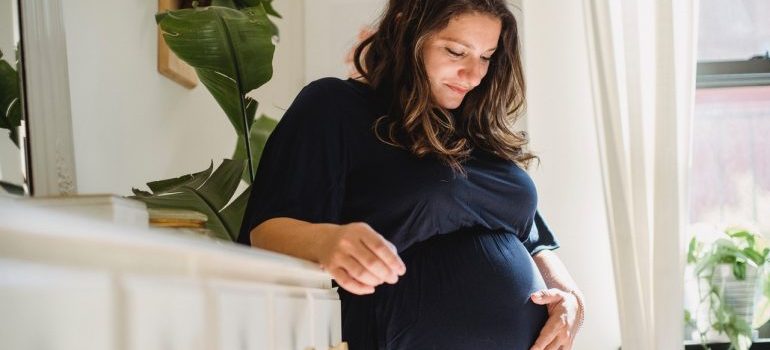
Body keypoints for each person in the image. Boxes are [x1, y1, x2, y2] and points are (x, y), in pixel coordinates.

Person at [238, 0, 585, 349]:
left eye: (486, 56)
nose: (474, 74)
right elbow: (265, 230)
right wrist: (328, 242)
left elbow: (532, 237)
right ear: (408, 31)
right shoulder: (336, 108)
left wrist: (571, 301)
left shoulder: (479, 132)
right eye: (455, 51)